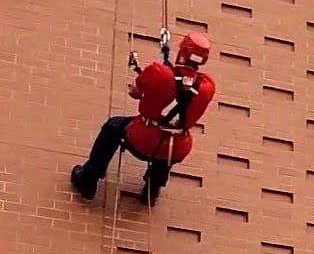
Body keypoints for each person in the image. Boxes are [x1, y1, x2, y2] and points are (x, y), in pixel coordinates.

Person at [71, 32, 216, 206]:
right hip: (177, 146)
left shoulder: (159, 72)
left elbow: (134, 92)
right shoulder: (207, 86)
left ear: (181, 52)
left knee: (113, 126)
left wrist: (158, 81)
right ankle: (151, 191)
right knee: (169, 147)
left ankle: (88, 179)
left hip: (143, 139)